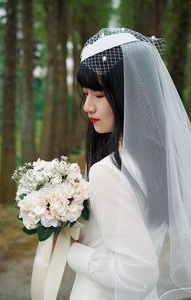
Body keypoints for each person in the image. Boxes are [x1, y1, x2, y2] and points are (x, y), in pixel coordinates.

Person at [67, 28, 191, 300]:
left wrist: (71, 250)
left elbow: (137, 274)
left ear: (129, 96)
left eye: (99, 96)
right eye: (85, 94)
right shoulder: (157, 161)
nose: (88, 106)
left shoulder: (109, 171)